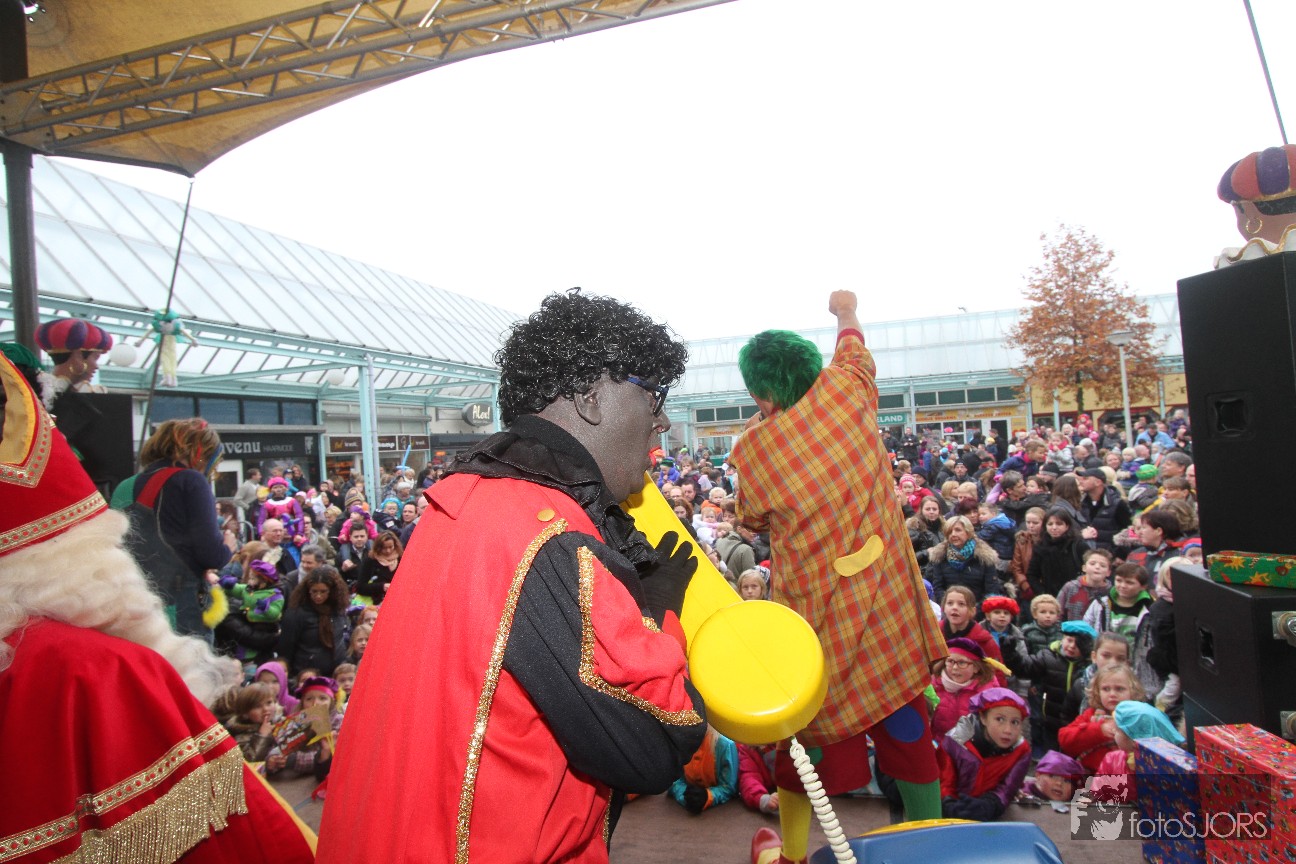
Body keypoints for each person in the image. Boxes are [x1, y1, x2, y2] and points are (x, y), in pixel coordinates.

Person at [316, 290, 705, 864]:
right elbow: (654, 746)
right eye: (653, 395)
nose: (663, 421)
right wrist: (659, 615)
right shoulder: (552, 536)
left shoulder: (463, 500)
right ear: (591, 397)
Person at [0, 352, 314, 864]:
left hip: (128, 599)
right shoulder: (188, 481)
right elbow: (210, 549)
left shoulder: (130, 482)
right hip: (158, 612)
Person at [733, 291, 947, 864]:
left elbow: (750, 517)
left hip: (819, 623)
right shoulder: (848, 390)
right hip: (888, 612)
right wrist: (844, 310)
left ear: (761, 395)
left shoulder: (756, 451)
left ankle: (792, 854)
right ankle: (928, 843)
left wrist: (765, 425)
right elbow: (853, 345)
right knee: (909, 732)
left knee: (805, 750)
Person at [115, 417, 232, 638]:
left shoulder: (125, 485)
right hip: (179, 606)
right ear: (197, 452)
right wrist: (228, 546)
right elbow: (212, 555)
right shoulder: (191, 480)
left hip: (132, 602)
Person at [936, 688, 1031, 822]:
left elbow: (1008, 787)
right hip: (950, 811)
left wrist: (989, 805)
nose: (1008, 730)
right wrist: (949, 804)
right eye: (1000, 719)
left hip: (990, 815)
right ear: (983, 718)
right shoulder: (955, 742)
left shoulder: (1021, 750)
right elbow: (944, 781)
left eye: (1015, 722)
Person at [1004, 620, 1096, 753]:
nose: (1072, 646)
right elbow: (1025, 668)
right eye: (1069, 640)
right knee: (1051, 755)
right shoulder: (1048, 656)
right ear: (1062, 638)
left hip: (1078, 722)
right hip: (1051, 719)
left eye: (1078, 643)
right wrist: (1010, 654)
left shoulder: (1090, 666)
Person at [1088, 700, 1185, 804]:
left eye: (1117, 730)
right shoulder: (1112, 760)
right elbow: (1097, 790)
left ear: (1134, 739)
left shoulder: (1164, 768)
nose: (1113, 731)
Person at [1058, 663, 1146, 774]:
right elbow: (1065, 740)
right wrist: (1098, 730)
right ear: (1097, 692)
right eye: (1106, 689)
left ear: (1133, 691)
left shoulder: (1138, 717)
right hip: (1091, 776)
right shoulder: (1091, 714)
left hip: (1127, 776)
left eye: (1119, 689)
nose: (1112, 694)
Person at [277, 566, 350, 677]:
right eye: (314, 591)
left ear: (332, 591)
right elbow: (286, 648)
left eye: (323, 591)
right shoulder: (296, 613)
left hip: (336, 672)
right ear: (308, 590)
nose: (318, 596)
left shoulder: (338, 610)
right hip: (306, 674)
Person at [931, 638, 999, 739]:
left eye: (962, 663)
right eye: (950, 661)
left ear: (976, 668)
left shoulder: (987, 692)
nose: (955, 667)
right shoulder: (934, 686)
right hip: (939, 745)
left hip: (972, 746)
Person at [925, 515, 1003, 603]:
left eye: (958, 530)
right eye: (950, 532)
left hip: (977, 607)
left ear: (968, 532)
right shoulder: (939, 556)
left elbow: (991, 590)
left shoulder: (985, 557)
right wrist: (949, 605)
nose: (953, 534)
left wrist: (975, 609)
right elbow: (938, 588)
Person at [668, 726, 741, 813]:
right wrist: (684, 795)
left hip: (718, 814)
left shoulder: (725, 745)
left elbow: (729, 787)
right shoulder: (677, 741)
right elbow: (672, 779)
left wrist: (709, 797)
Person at [1025, 506, 1088, 600]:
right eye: (1050, 524)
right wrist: (1043, 593)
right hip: (1051, 599)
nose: (1054, 527)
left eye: (1059, 524)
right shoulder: (1040, 547)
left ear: (1067, 526)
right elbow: (1032, 574)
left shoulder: (1078, 545)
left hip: (1076, 597)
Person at [1076, 467, 1132, 553]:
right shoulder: (1081, 504)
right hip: (1086, 554)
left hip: (1110, 553)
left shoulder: (1117, 504)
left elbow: (1129, 530)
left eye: (1085, 479)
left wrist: (1120, 554)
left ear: (1098, 482)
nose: (1081, 481)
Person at [221, 682, 279, 763]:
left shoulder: (277, 722)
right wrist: (262, 736)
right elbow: (249, 760)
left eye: (269, 703)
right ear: (245, 714)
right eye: (257, 706)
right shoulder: (240, 733)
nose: (265, 709)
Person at [1056, 548, 1114, 622]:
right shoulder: (1070, 587)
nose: (1097, 567)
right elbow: (1056, 613)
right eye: (1092, 564)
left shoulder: (1112, 592)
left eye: (1102, 566)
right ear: (1084, 568)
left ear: (1108, 572)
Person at [356, 530, 402, 605]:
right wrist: (381, 586)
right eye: (384, 548)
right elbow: (360, 587)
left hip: (398, 601)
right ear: (378, 547)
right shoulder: (370, 561)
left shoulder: (401, 559)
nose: (388, 551)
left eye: (390, 547)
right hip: (376, 603)